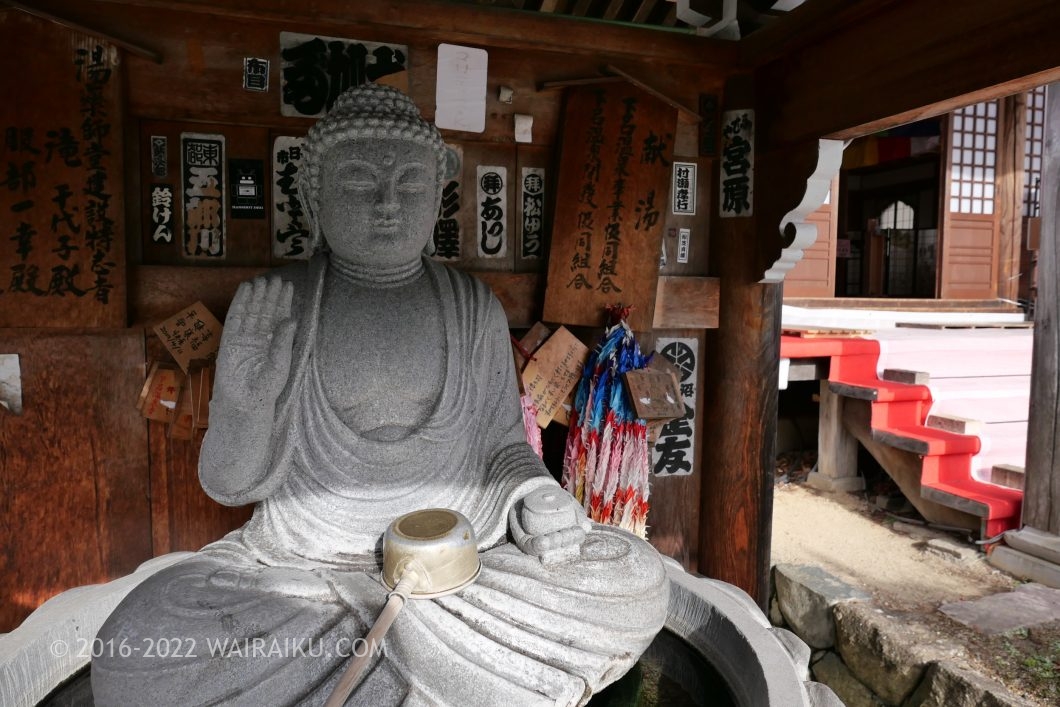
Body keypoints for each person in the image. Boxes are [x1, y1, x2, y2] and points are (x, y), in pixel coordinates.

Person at [92, 83, 668, 706]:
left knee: (634, 576)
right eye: (360, 183)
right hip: (307, 567)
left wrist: (537, 496)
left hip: (459, 566)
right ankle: (443, 674)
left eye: (411, 185)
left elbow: (504, 447)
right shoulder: (279, 305)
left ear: (438, 197)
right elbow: (231, 484)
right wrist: (246, 399)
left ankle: (377, 665)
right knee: (136, 641)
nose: (388, 204)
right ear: (314, 196)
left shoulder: (470, 307)